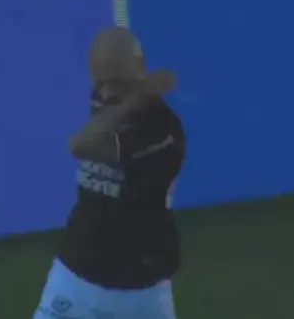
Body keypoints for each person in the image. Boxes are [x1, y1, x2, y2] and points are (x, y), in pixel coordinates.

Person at [33, 26, 186, 319]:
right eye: (101, 83)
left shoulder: (162, 129)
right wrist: (126, 100)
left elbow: (80, 145)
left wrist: (131, 102)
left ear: (138, 73)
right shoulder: (106, 99)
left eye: (115, 83)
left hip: (140, 287)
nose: (106, 93)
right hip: (77, 273)